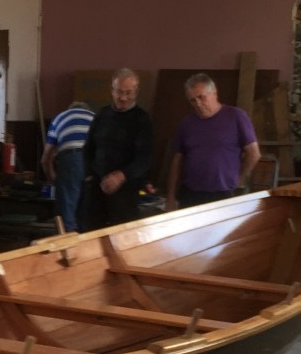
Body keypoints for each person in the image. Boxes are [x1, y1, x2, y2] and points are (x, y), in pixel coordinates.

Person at [165, 73, 261, 210]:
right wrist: (170, 196)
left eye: (201, 97)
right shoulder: (187, 123)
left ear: (214, 93)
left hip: (223, 193)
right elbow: (177, 160)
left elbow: (254, 154)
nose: (198, 104)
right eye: (193, 100)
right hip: (190, 193)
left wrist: (239, 179)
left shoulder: (236, 116)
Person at [78, 68, 154, 230]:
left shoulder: (142, 119)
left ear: (136, 92)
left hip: (125, 192)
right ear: (112, 90)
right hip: (96, 188)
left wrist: (121, 176)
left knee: (122, 237)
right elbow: (88, 148)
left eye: (128, 93)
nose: (123, 98)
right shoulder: (102, 114)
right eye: (119, 92)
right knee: (89, 234)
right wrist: (89, 175)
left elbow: (144, 159)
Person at [40, 100, 93, 231]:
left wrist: (53, 179)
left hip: (71, 160)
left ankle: (67, 239)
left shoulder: (60, 118)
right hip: (94, 160)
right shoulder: (94, 117)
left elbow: (45, 159)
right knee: (88, 215)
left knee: (66, 215)